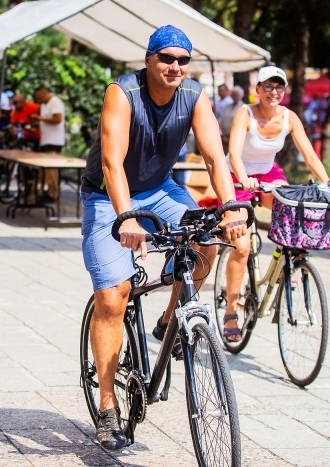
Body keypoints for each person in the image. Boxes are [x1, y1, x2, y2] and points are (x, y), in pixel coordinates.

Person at [80, 25, 248, 451]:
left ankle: (170, 320)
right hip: (108, 194)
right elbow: (111, 162)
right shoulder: (123, 92)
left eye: (182, 60)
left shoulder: (192, 95)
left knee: (206, 240)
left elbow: (214, 156)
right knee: (113, 296)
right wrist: (127, 218)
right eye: (166, 58)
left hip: (160, 188)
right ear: (149, 59)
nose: (175, 67)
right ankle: (106, 404)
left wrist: (229, 208)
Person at [222, 66, 330, 341]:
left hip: (269, 175)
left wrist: (327, 180)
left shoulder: (289, 118)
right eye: (267, 86)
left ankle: (284, 265)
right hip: (236, 176)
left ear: (285, 90)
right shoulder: (246, 113)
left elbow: (309, 154)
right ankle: (231, 309)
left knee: (292, 209)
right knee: (241, 247)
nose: (273, 92)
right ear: (257, 89)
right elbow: (233, 151)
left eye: (279, 87)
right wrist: (245, 179)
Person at [32, 85, 66, 202]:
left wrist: (40, 119)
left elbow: (57, 119)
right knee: (48, 169)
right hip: (46, 139)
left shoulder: (55, 102)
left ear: (44, 92)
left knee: (53, 169)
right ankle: (49, 190)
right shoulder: (44, 105)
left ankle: (53, 193)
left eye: (39, 96)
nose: (39, 99)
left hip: (54, 140)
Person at [219, 86, 245, 152]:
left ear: (241, 95)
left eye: (237, 95)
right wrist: (224, 134)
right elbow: (222, 120)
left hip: (236, 137)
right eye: (234, 94)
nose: (235, 96)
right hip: (225, 136)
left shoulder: (243, 107)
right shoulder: (227, 106)